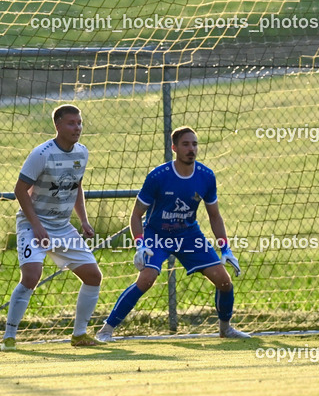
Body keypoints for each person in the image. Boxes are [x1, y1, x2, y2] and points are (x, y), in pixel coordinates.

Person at [95, 127, 249, 340]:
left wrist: (226, 248)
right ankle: (106, 330)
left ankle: (226, 329)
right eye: (186, 144)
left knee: (224, 281)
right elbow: (136, 215)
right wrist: (140, 244)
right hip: (157, 235)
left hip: (189, 235)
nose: (191, 149)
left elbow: (215, 216)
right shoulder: (158, 176)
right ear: (174, 147)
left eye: (194, 144)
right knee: (146, 279)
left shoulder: (206, 176)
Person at [4, 104, 104, 349]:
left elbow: (76, 186)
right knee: (31, 277)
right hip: (32, 224)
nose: (77, 127)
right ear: (57, 125)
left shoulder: (82, 152)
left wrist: (83, 220)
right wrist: (36, 225)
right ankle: (9, 336)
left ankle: (79, 334)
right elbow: (19, 190)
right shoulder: (42, 153)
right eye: (71, 123)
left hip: (62, 227)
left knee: (93, 276)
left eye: (79, 123)